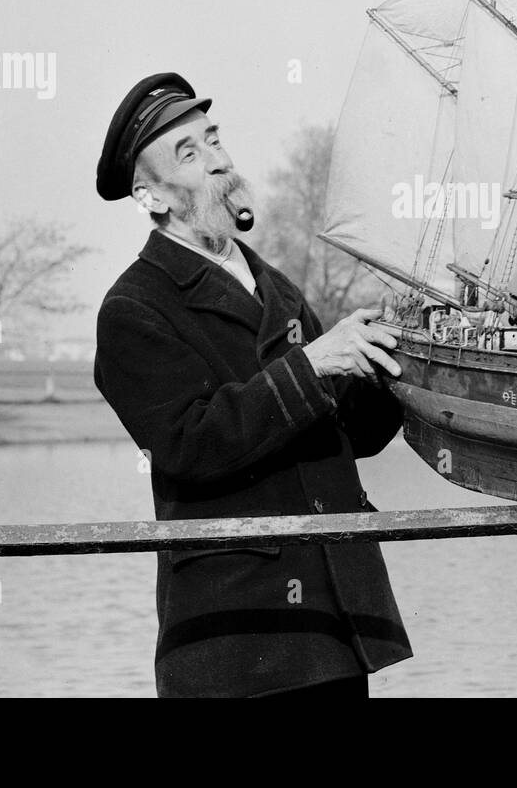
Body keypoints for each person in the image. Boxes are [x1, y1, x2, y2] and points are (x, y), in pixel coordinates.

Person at [93, 73, 412, 697]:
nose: (217, 160)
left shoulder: (277, 288)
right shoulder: (133, 308)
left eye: (213, 139)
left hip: (335, 627)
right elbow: (191, 445)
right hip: (234, 645)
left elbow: (352, 437)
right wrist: (314, 364)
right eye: (189, 153)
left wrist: (396, 354)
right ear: (150, 198)